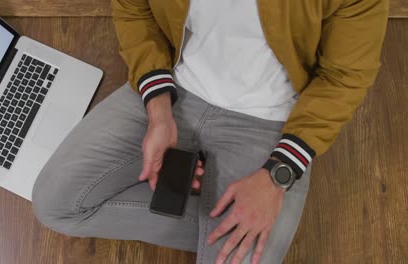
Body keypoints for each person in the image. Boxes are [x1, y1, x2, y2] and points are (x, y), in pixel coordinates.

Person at [31, 0, 389, 263]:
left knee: (249, 248)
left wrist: (277, 177)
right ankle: (240, 223)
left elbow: (344, 79)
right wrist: (158, 109)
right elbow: (133, 8)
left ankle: (248, 219)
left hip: (270, 123)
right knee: (56, 204)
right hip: (174, 87)